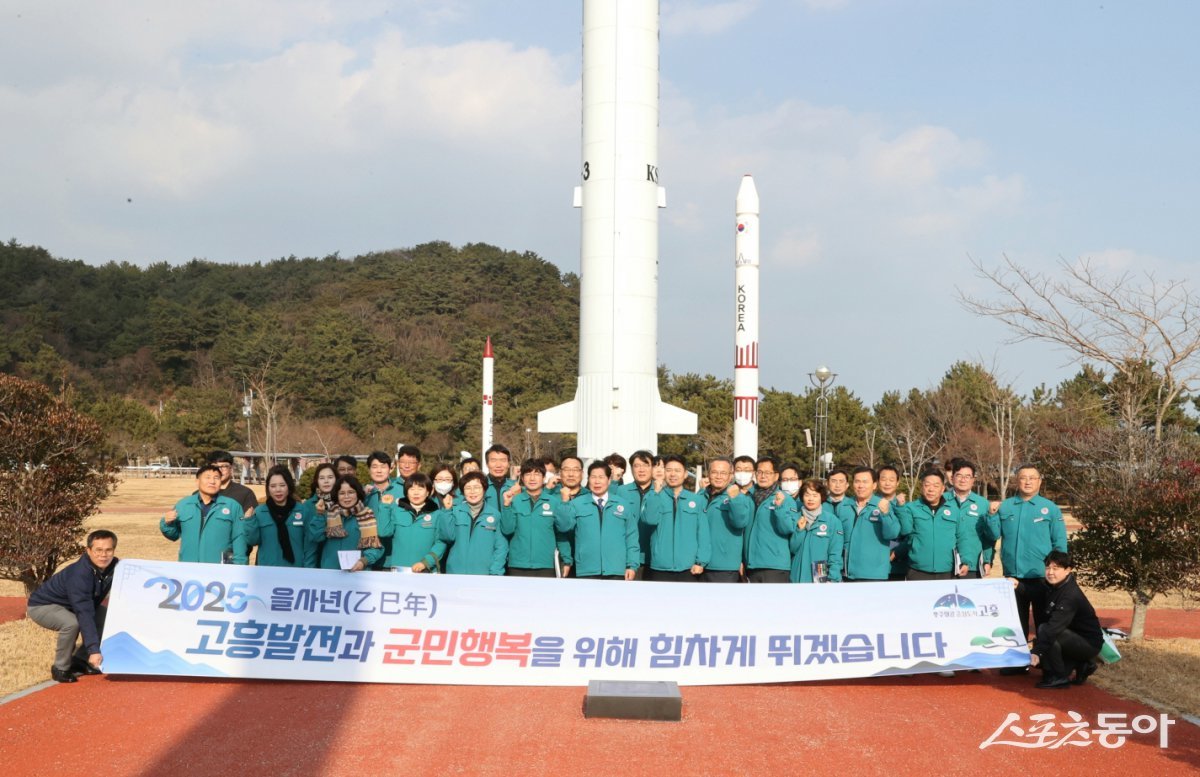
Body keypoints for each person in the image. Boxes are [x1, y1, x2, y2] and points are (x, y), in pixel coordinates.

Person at [986, 464, 1068, 641]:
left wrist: (1059, 570)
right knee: (1015, 622)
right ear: (1017, 481)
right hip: (1013, 576)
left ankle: (1045, 660)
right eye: (1023, 478)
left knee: (1044, 622)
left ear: (1039, 481)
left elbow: (1059, 542)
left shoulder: (1050, 508)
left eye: (1032, 478)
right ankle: (1019, 662)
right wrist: (991, 516)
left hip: (1042, 576)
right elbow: (993, 535)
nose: (1028, 482)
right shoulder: (1005, 506)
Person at [27, 530, 119, 683]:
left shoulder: (115, 566)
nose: (103, 555)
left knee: (107, 617)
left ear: (113, 550)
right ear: (88, 551)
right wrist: (94, 650)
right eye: (98, 550)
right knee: (72, 623)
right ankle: (60, 668)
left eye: (108, 550)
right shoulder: (80, 575)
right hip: (43, 606)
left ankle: (80, 660)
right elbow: (84, 613)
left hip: (72, 605)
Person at [1028, 551, 1104, 689]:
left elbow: (1053, 628)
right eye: (1047, 568)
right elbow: (1035, 592)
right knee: (1046, 668)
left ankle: (1059, 678)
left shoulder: (1070, 596)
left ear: (1068, 570)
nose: (1050, 572)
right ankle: (1082, 664)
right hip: (1072, 637)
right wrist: (1017, 586)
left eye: (1055, 568)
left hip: (1088, 643)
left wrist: (1037, 651)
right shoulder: (1054, 585)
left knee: (1045, 630)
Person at [553, 462, 639, 580]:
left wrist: (631, 565)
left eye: (601, 477)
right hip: (586, 569)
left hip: (616, 569)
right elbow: (563, 527)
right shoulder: (576, 504)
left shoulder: (623, 505)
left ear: (609, 480)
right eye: (593, 477)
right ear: (588, 480)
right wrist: (564, 502)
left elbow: (632, 537)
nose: (597, 481)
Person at [641, 455, 711, 581]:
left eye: (677, 471)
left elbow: (703, 533)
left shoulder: (696, 500)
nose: (673, 474)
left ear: (685, 474)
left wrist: (701, 562)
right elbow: (649, 519)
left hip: (689, 568)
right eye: (668, 470)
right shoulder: (654, 496)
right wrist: (655, 492)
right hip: (660, 567)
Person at [160, 464, 248, 564]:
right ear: (197, 482)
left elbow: (239, 538)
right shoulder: (184, 504)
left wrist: (240, 566)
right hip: (188, 567)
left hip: (220, 569)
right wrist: (166, 523)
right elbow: (173, 535)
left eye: (216, 478)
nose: (212, 481)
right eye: (208, 477)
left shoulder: (232, 506)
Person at [500, 459, 571, 577]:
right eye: (528, 474)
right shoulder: (514, 500)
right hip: (518, 565)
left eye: (537, 474)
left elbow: (563, 529)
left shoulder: (554, 502)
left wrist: (567, 560)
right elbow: (507, 529)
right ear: (522, 478)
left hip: (546, 565)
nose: (532, 478)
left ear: (543, 478)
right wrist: (506, 505)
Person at [895, 470, 971, 580]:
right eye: (927, 485)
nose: (931, 489)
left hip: (947, 570)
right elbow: (905, 531)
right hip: (917, 570)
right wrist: (900, 508)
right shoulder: (911, 508)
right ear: (922, 487)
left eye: (936, 486)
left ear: (942, 489)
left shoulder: (954, 510)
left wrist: (966, 561)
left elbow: (962, 537)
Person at [244, 465, 320, 567]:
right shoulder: (260, 512)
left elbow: (310, 545)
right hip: (268, 572)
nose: (278, 490)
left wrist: (308, 570)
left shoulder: (302, 511)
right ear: (268, 488)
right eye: (273, 486)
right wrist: (249, 521)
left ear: (289, 486)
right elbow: (253, 541)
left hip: (296, 571)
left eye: (282, 485)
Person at [436, 471, 508, 575]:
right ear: (463, 492)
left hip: (484, 573)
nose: (472, 492)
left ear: (484, 489)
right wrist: (446, 511)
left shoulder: (495, 515)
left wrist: (495, 571)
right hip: (455, 572)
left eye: (477, 487)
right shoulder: (454, 512)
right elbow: (447, 537)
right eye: (468, 488)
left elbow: (501, 547)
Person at [696, 456, 752, 582]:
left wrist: (735, 499)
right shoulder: (700, 496)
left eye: (723, 473)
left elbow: (740, 522)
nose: (718, 476)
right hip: (697, 565)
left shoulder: (739, 497)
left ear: (730, 476)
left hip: (723, 567)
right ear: (708, 474)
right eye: (714, 472)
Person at [742, 456, 797, 583]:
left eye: (767, 473)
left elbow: (787, 528)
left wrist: (779, 508)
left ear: (776, 476)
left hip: (774, 566)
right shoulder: (748, 497)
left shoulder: (785, 499)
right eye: (759, 472)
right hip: (751, 565)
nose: (763, 476)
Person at [312, 475, 384, 571]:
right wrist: (319, 514)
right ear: (336, 495)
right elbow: (316, 537)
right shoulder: (328, 514)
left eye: (351, 492)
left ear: (357, 494)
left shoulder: (368, 516)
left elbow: (377, 548)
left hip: (358, 575)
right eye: (342, 493)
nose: (346, 497)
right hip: (330, 573)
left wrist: (364, 561)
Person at [840, 466, 900, 582]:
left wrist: (886, 514)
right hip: (847, 573)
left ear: (874, 485)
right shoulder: (844, 506)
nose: (861, 486)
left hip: (874, 574)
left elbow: (892, 534)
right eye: (857, 481)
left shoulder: (882, 505)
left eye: (865, 482)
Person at [381, 472, 445, 572]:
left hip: (426, 570)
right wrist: (385, 507)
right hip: (399, 570)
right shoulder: (396, 511)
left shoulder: (437, 514)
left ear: (428, 492)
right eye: (412, 489)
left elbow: (441, 543)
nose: (416, 493)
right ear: (406, 492)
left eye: (420, 489)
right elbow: (383, 532)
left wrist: (425, 562)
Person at [789, 479, 844, 583]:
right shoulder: (795, 518)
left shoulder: (832, 521)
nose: (810, 499)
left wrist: (833, 578)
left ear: (821, 497)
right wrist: (800, 531)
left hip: (820, 575)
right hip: (797, 576)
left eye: (815, 495)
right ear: (802, 497)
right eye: (807, 495)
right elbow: (792, 549)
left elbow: (835, 553)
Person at [945, 458, 993, 577]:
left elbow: (988, 537)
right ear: (952, 478)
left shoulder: (983, 504)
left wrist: (987, 560)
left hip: (973, 565)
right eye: (959, 475)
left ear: (973, 480)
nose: (963, 480)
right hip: (944, 566)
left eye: (967, 476)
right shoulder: (941, 500)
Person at [364, 451, 404, 569]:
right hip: (368, 558)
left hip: (395, 557)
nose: (379, 470)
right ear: (369, 470)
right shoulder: (362, 493)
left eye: (383, 466)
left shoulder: (403, 491)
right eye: (374, 467)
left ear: (390, 469)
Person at [877, 464, 909, 581]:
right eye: (883, 479)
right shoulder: (870, 504)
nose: (887, 483)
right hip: (873, 563)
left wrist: (896, 552)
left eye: (891, 480)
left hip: (897, 565)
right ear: (877, 482)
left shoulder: (905, 506)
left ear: (897, 482)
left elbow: (907, 533)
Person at [207, 450, 258, 514]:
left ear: (231, 469)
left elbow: (251, 521)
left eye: (224, 466)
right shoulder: (200, 494)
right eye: (215, 467)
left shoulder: (244, 493)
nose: (219, 470)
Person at [483, 444, 516, 510]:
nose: (498, 465)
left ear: (509, 464)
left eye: (503, 460)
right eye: (493, 460)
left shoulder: (515, 487)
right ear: (487, 464)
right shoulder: (480, 486)